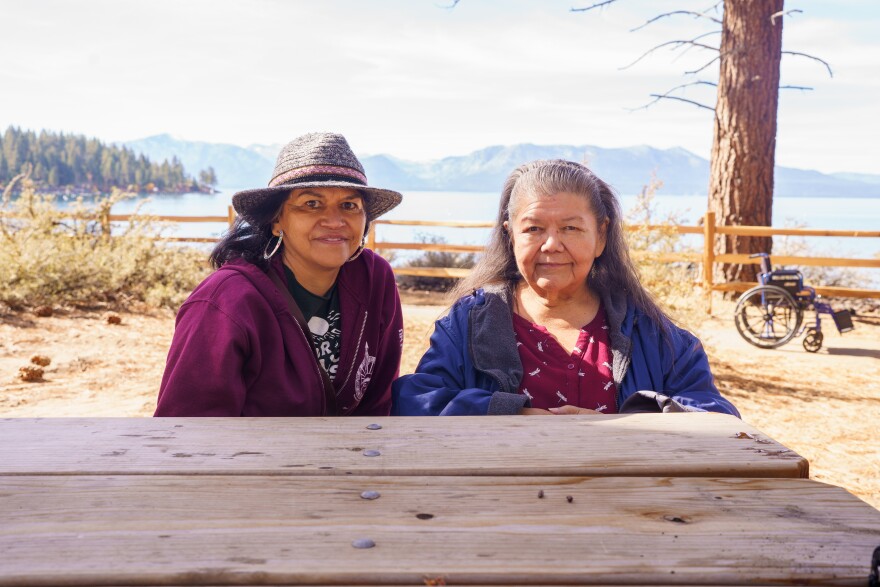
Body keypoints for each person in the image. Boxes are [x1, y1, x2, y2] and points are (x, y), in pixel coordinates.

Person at [392, 159, 739, 417]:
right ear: (509, 235)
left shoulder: (648, 331)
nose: (551, 244)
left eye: (571, 228)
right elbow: (416, 401)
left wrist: (622, 427)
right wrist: (512, 414)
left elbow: (717, 417)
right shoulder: (469, 323)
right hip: (499, 505)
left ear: (601, 236)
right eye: (533, 229)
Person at [155, 132, 404, 416]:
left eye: (349, 205)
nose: (335, 221)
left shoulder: (375, 279)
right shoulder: (225, 303)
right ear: (276, 221)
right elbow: (188, 429)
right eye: (312, 204)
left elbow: (379, 402)